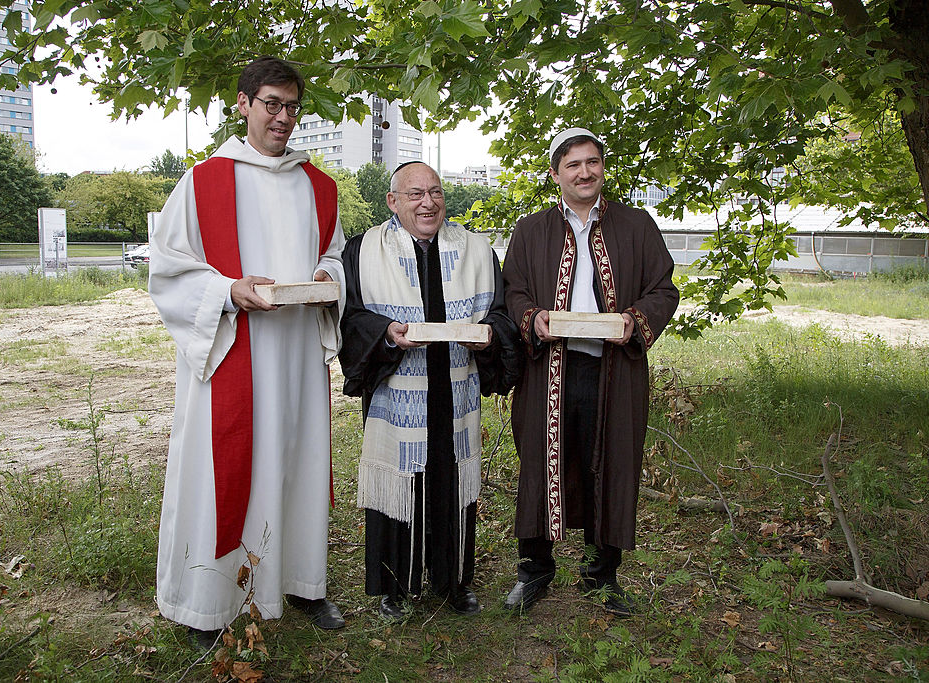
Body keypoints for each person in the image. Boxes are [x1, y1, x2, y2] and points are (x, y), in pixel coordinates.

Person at [148, 56, 347, 639]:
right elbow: (168, 270)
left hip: (296, 361)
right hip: (233, 350)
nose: (283, 118)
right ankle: (208, 598)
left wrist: (323, 278)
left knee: (298, 463)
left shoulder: (319, 186)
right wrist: (230, 289)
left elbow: (333, 256)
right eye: (271, 104)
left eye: (292, 107)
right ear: (243, 104)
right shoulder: (204, 180)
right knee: (222, 471)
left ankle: (302, 583)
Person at [501, 128, 679, 616]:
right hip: (548, 369)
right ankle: (534, 570)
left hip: (614, 370)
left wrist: (633, 320)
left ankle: (602, 575)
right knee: (542, 463)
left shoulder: (637, 225)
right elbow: (513, 290)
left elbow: (663, 290)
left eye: (592, 162)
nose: (585, 172)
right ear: (556, 173)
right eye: (573, 164)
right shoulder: (531, 229)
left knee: (612, 463)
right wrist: (532, 317)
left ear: (602, 167)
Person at [339, 161, 522, 619]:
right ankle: (393, 587)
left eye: (435, 192)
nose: (428, 202)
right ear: (393, 202)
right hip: (396, 389)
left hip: (453, 391)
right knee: (397, 484)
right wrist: (386, 333)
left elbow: (501, 313)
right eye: (415, 194)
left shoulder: (476, 250)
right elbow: (351, 319)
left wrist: (486, 334)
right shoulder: (363, 251)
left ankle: (454, 583)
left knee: (452, 485)